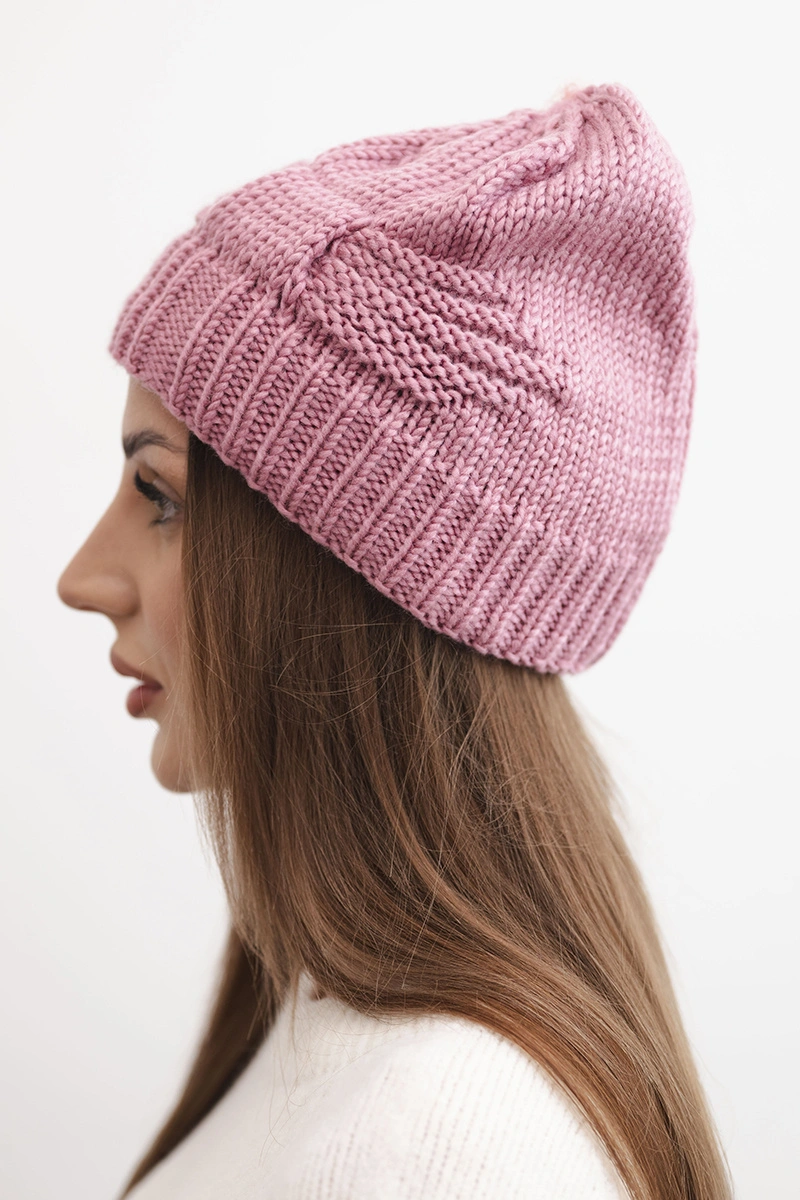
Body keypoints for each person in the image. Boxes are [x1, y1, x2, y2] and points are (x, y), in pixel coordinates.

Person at [57, 82, 732, 1200]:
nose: (83, 578)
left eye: (160, 497)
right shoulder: (327, 1030)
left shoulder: (431, 1145)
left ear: (347, 573)